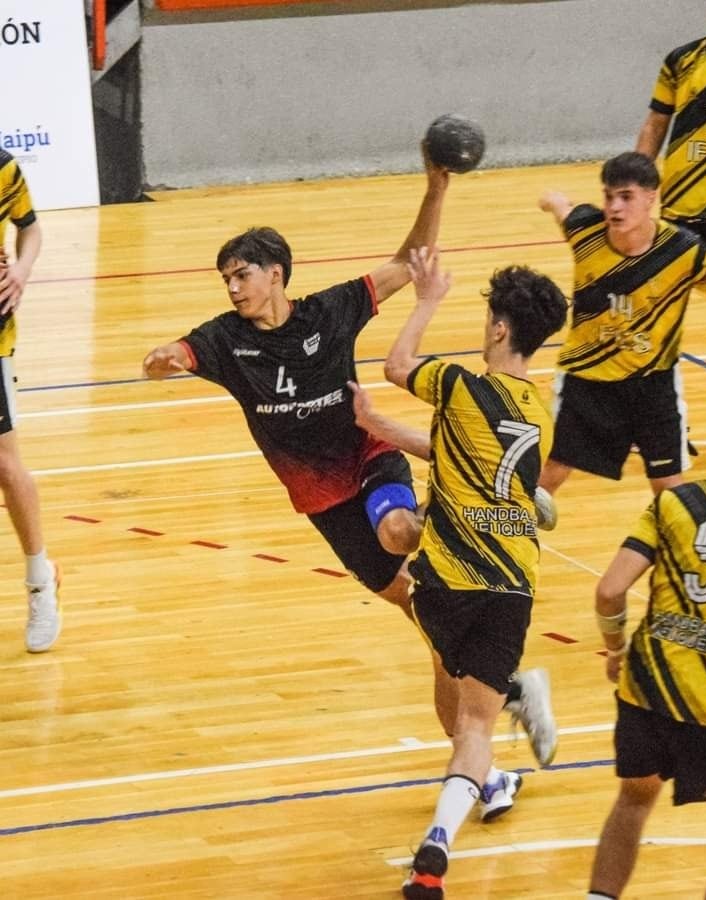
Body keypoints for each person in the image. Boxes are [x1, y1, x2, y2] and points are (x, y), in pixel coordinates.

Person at [142, 147, 556, 821]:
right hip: (321, 501)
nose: (233, 288)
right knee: (427, 627)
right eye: (225, 279)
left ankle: (471, 503)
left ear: (276, 273)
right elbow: (179, 354)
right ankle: (494, 742)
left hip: (371, 460)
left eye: (242, 274)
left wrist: (436, 186)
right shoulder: (222, 339)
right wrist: (163, 359)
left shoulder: (329, 313)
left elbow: (409, 261)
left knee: (398, 529)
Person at [372, 247, 567, 899]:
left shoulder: (460, 385)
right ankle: (435, 850)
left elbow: (396, 365)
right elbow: (473, 453)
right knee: (474, 726)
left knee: (455, 697)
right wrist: (381, 427)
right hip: (514, 583)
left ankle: (516, 691)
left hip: (450, 578)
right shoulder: (539, 411)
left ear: (500, 328)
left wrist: (426, 299)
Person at [587, 409, 706, 900]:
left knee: (633, 800)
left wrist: (616, 649)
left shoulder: (676, 502)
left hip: (649, 686)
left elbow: (609, 591)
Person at [538, 151, 706, 501]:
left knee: (670, 490)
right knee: (549, 473)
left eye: (626, 197)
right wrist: (552, 200)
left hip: (653, 385)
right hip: (588, 380)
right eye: (609, 196)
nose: (615, 208)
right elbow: (563, 209)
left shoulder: (684, 251)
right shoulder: (585, 230)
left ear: (651, 197)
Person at [0, 149, 61, 653]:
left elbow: (30, 226)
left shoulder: (2, 168)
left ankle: (41, 582)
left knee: (5, 463)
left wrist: (20, 269)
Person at [636, 0, 706, 257]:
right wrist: (636, 184)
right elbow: (654, 125)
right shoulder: (681, 61)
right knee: (667, 294)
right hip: (680, 207)